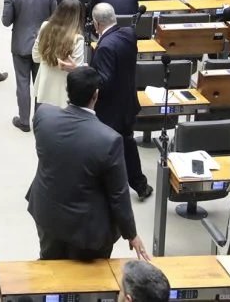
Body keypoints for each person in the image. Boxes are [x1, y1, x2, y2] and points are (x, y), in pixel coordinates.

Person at [27, 66, 150, 261]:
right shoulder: (109, 139)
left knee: (50, 266)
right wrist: (131, 234)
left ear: (67, 90)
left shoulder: (43, 115)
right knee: (87, 283)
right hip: (86, 229)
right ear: (96, 95)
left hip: (47, 213)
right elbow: (118, 194)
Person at [91, 3, 152, 199]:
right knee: (127, 144)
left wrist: (82, 71)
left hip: (110, 109)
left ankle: (107, 188)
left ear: (97, 23)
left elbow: (104, 81)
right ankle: (140, 185)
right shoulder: (128, 35)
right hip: (127, 100)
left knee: (108, 147)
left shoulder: (106, 47)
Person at [2, 0, 58, 131]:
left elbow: (6, 21)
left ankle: (24, 121)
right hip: (43, 43)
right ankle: (40, 121)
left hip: (21, 44)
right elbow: (55, 17)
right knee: (41, 84)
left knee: (22, 82)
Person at [32, 0, 87, 113]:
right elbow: (78, 72)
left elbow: (35, 57)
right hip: (64, 94)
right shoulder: (78, 39)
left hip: (44, 88)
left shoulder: (44, 26)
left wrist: (49, 58)